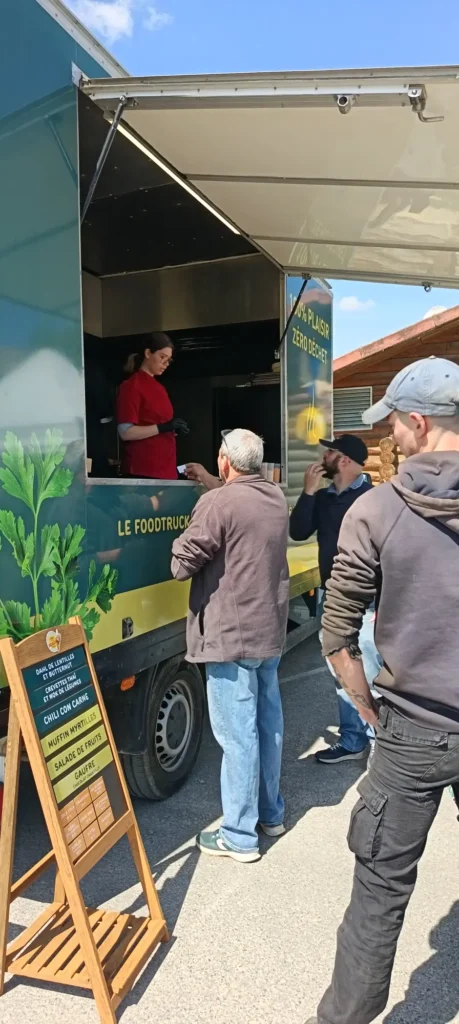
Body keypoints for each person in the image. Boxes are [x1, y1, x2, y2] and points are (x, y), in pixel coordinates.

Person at [307, 356, 459, 1024]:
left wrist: (369, 711)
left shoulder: (372, 511)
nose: (387, 436)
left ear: (420, 423)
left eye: (393, 423)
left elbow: (335, 637)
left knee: (378, 892)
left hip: (410, 732)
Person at [171, 428, 289, 863]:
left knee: (237, 737)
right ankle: (271, 814)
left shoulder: (217, 503)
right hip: (268, 632)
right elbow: (237, 510)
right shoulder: (274, 496)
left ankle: (239, 835)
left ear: (224, 461)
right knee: (266, 725)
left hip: (230, 638)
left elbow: (181, 566)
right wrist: (212, 485)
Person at [290, 435, 381, 764]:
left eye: (329, 451)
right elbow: (298, 532)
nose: (323, 456)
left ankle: (379, 753)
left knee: (369, 674)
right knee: (341, 671)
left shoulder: (372, 500)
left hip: (366, 600)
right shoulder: (324, 497)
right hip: (332, 596)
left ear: (343, 461)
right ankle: (353, 740)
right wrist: (308, 492)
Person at [117, 332, 189, 480]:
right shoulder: (132, 386)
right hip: (142, 470)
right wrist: (163, 427)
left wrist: (172, 429)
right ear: (148, 353)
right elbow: (125, 432)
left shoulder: (160, 388)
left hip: (166, 468)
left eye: (168, 360)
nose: (165, 363)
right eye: (162, 357)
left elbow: (156, 426)